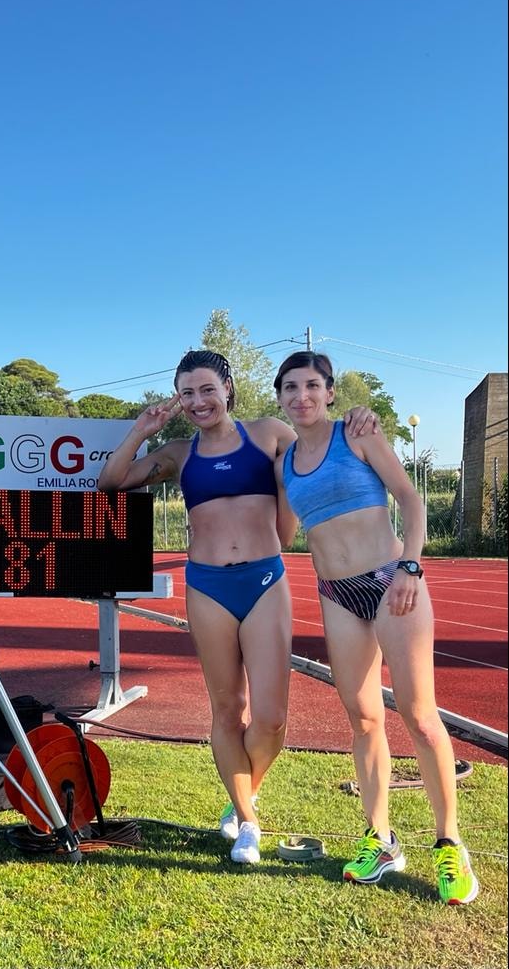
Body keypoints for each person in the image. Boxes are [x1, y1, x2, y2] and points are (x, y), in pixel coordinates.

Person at [97, 349, 375, 864]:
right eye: (187, 393)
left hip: (265, 580)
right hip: (207, 587)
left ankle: (244, 790)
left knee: (271, 718)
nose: (198, 401)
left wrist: (356, 416)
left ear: (228, 388)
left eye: (207, 389)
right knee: (228, 710)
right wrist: (141, 430)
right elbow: (110, 482)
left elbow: (320, 441)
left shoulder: (269, 433)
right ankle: (247, 821)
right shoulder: (178, 454)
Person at [274, 350, 479, 905]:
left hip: (392, 582)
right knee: (364, 719)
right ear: (280, 398)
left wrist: (411, 566)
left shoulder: (357, 434)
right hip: (337, 594)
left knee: (419, 715)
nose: (301, 396)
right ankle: (381, 839)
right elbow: (281, 531)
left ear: (330, 392)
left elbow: (410, 499)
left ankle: (449, 844)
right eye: (290, 387)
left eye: (311, 386)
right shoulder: (284, 462)